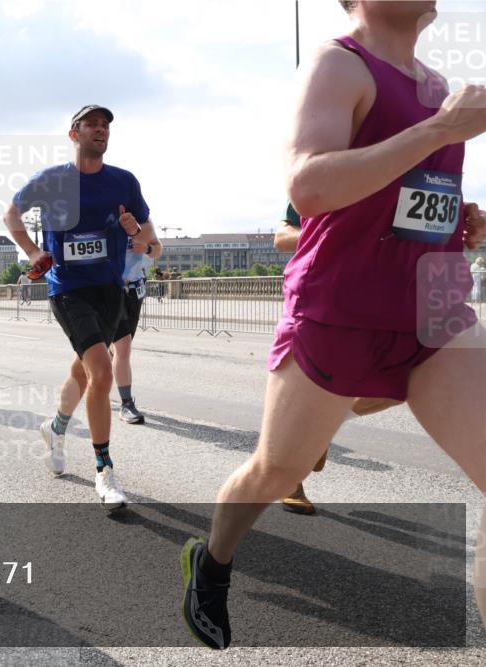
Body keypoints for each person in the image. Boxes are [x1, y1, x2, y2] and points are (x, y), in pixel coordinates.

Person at [181, 1, 486, 650]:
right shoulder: (339, 63)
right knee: (272, 470)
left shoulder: (436, 87)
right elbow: (309, 183)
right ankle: (212, 559)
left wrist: (460, 223)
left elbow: (407, 201)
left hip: (433, 316)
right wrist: (440, 130)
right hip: (340, 312)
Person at [3, 104, 158, 510]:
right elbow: (11, 212)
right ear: (74, 134)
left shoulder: (124, 181)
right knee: (101, 369)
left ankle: (55, 427)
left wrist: (139, 238)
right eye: (91, 124)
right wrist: (33, 251)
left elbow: (149, 238)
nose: (100, 129)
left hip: (110, 290)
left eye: (105, 124)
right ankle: (104, 470)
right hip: (68, 288)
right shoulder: (53, 180)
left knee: (85, 369)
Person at [275, 204, 403, 515]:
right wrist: (334, 234)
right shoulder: (325, 172)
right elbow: (282, 236)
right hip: (321, 300)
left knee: (404, 381)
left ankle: (325, 427)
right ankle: (291, 481)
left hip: (385, 296)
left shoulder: (408, 175)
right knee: (303, 393)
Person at [112, 236, 160, 424]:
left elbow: (157, 249)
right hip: (110, 288)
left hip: (135, 290)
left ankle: (101, 357)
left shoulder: (141, 217)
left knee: (120, 347)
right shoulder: (101, 213)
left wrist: (147, 248)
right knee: (123, 347)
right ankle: (127, 403)